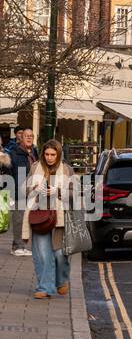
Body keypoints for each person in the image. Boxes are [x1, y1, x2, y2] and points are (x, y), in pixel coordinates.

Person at [24, 139, 74, 299]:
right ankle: (44, 288)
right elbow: (25, 190)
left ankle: (61, 280)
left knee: (60, 254)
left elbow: (76, 193)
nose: (49, 157)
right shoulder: (35, 168)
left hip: (60, 218)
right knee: (43, 254)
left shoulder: (67, 170)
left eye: (53, 154)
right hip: (39, 216)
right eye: (46, 154)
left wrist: (58, 191)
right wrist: (34, 189)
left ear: (59, 154)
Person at [6, 128, 37, 256]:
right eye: (26, 136)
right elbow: (8, 173)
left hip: (32, 192)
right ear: (21, 138)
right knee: (19, 220)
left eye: (31, 136)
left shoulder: (34, 152)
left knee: (27, 220)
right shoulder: (14, 153)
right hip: (18, 191)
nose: (29, 138)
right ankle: (17, 246)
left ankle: (22, 245)